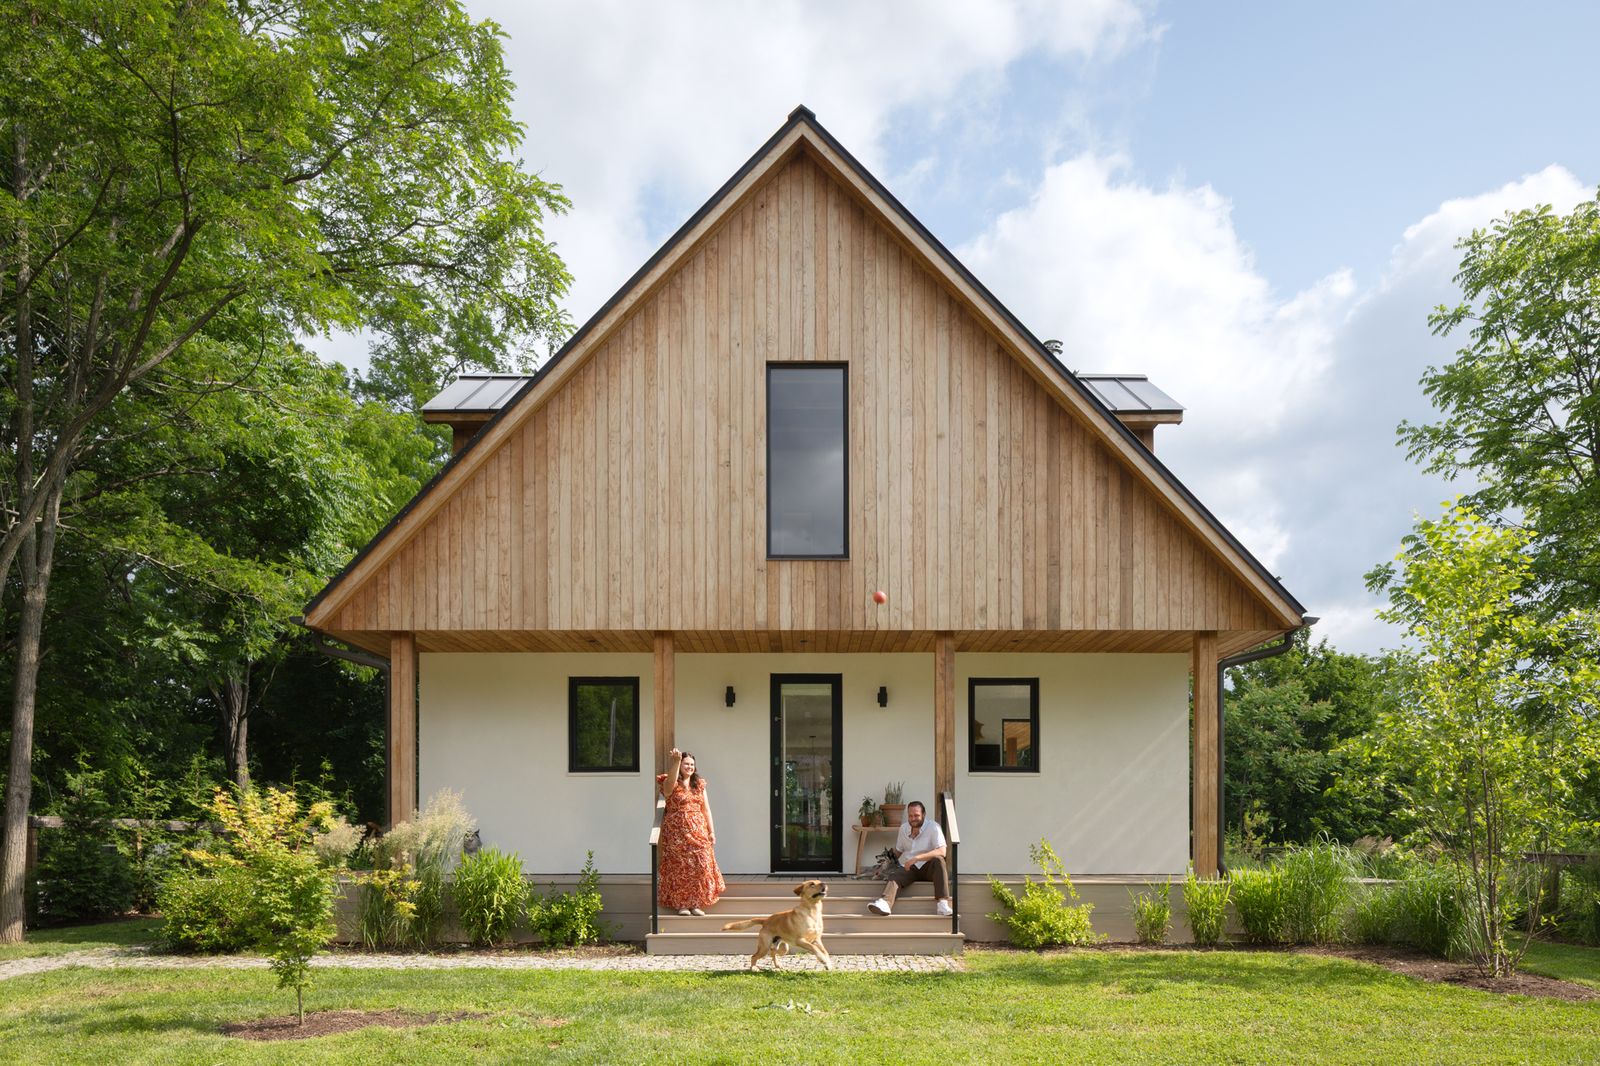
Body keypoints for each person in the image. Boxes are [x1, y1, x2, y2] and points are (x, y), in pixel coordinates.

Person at [656, 747, 725, 916]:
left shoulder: (699, 784)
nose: (690, 767)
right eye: (686, 764)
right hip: (676, 832)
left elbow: (706, 809)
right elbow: (668, 790)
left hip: (698, 829)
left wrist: (712, 831)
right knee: (680, 867)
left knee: (701, 863)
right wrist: (676, 761)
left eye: (692, 764)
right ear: (680, 765)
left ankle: (695, 903)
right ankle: (682, 905)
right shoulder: (671, 780)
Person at [868, 799, 952, 916]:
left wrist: (917, 858)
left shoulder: (933, 827)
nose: (913, 818)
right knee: (896, 874)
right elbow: (898, 851)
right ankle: (885, 903)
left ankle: (942, 904)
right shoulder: (903, 828)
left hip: (929, 868)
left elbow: (942, 851)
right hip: (910, 868)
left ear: (924, 814)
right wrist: (882, 867)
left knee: (939, 860)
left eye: (916, 815)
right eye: (910, 816)